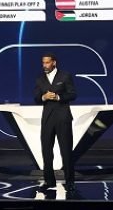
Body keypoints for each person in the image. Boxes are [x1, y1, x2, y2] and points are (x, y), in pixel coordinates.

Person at [33, 52, 76, 191]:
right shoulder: (40, 79)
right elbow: (36, 98)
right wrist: (44, 97)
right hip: (47, 119)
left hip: (63, 118)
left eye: (47, 62)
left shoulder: (65, 76)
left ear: (54, 62)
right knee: (46, 151)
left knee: (66, 150)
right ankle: (49, 181)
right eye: (43, 63)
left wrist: (58, 97)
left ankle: (70, 181)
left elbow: (73, 94)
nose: (44, 65)